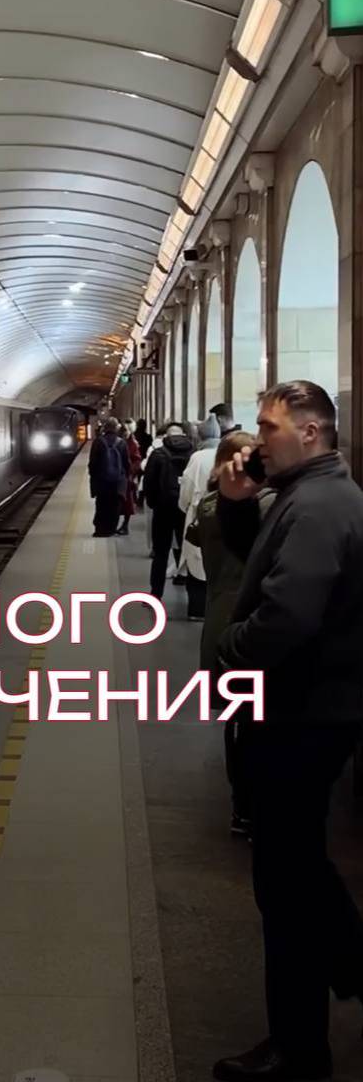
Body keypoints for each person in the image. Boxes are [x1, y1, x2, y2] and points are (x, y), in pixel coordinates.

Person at [211, 381, 363, 1082]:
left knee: (285, 886)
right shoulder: (308, 496)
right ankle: (348, 970)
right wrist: (237, 505)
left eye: (269, 428)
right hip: (306, 712)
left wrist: (230, 649)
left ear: (310, 431)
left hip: (299, 716)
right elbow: (262, 567)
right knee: (299, 869)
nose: (258, 439)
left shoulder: (320, 507)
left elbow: (288, 616)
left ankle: (299, 1050)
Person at [185, 429, 271, 834]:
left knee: (238, 718)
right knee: (258, 719)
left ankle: (242, 805)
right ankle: (255, 803)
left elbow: (194, 535)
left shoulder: (207, 506)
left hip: (219, 613)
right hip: (252, 616)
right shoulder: (263, 509)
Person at [143, 423, 193, 599]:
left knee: (161, 553)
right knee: (186, 550)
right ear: (184, 435)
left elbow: (149, 482)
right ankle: (190, 593)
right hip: (185, 510)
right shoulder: (193, 454)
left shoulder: (158, 454)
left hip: (162, 510)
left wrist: (153, 504)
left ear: (166, 436)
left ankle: (155, 594)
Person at [178, 414, 220, 620]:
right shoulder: (228, 453)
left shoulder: (198, 457)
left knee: (195, 561)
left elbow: (187, 489)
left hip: (199, 515)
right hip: (225, 516)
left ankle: (196, 609)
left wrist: (184, 506)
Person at [88, 417, 123, 537]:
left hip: (101, 481)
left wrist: (93, 477)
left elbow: (92, 463)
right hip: (117, 481)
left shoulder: (98, 442)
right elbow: (126, 463)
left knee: (101, 504)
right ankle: (111, 529)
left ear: (105, 428)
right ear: (116, 428)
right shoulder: (121, 442)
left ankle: (100, 529)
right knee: (114, 505)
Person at [140, 427, 165, 555]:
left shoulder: (153, 449)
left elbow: (145, 468)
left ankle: (155, 548)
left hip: (155, 494)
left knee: (153, 522)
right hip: (170, 494)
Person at [117, 421, 141, 536]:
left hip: (127, 477)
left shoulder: (132, 443)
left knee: (127, 502)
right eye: (123, 432)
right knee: (118, 502)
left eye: (126, 431)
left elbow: (137, 460)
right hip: (118, 476)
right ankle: (115, 524)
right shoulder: (118, 442)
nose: (125, 433)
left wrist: (131, 471)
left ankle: (125, 525)